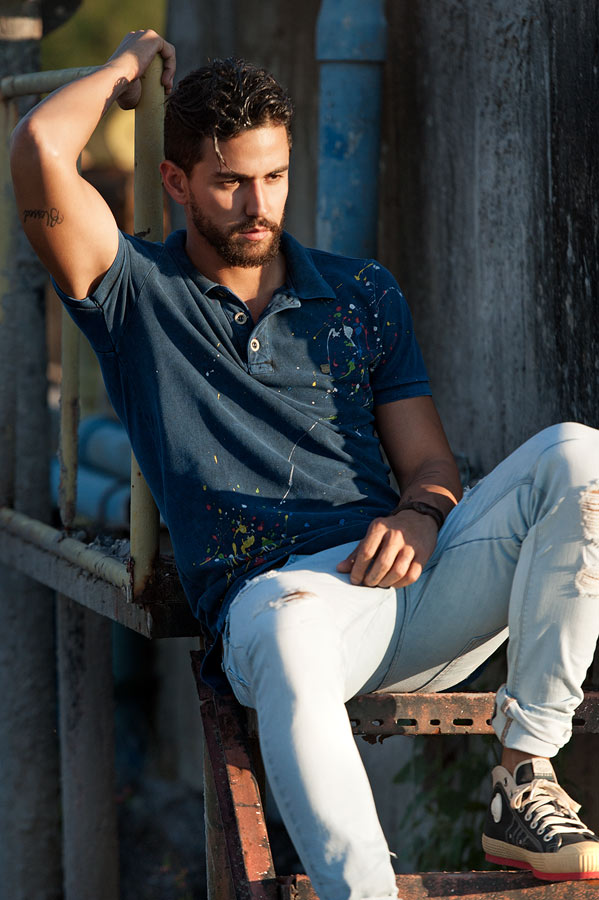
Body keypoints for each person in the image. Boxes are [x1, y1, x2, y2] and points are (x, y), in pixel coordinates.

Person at [10, 28, 599, 900]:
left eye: (275, 176)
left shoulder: (360, 292)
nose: (259, 204)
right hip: (280, 608)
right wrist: (125, 65)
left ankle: (523, 779)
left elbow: (429, 463)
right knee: (290, 630)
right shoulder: (135, 293)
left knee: (577, 454)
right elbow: (38, 148)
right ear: (175, 181)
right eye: (230, 182)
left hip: (411, 587)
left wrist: (421, 514)